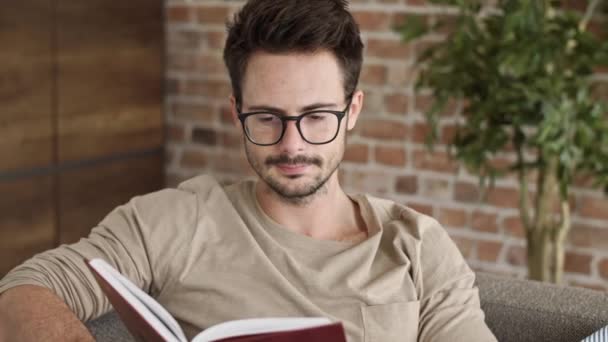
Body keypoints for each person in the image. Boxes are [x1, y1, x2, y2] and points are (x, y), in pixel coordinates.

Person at [0, 0, 497, 341]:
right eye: (267, 118)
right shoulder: (177, 220)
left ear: (354, 111)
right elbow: (25, 287)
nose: (292, 144)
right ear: (237, 111)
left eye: (317, 117)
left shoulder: (416, 246)